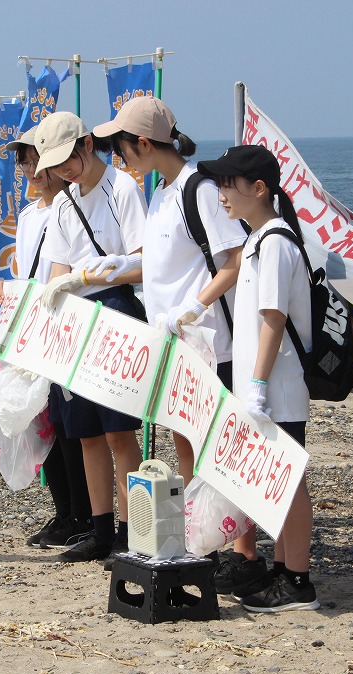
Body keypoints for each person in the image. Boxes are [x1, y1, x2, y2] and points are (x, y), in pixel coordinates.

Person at [92, 97, 269, 595]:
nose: (118, 158)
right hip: (173, 340)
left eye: (120, 148)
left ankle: (244, 552)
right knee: (184, 440)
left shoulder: (200, 189)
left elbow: (232, 262)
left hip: (212, 341)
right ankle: (202, 542)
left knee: (222, 447)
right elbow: (159, 263)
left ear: (144, 143)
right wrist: (113, 268)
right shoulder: (160, 193)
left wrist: (193, 308)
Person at [197, 145, 319, 612]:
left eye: (230, 184)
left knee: (290, 481)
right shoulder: (256, 241)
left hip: (279, 387)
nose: (222, 193)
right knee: (275, 479)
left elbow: (274, 319)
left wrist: (259, 387)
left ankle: (297, 579)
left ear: (259, 189)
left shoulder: (276, 242)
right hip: (262, 385)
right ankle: (282, 568)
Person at [32, 111, 148, 562]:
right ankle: (100, 530)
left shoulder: (122, 188)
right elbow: (57, 272)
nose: (63, 170)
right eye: (54, 165)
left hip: (116, 312)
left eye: (67, 158)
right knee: (85, 434)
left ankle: (133, 530)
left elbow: (143, 263)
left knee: (119, 431)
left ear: (86, 144)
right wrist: (56, 296)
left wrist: (85, 276)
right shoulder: (63, 204)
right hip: (75, 319)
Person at [0, 128, 93, 549]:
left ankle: (84, 515)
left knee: (71, 426)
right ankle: (64, 512)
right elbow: (27, 274)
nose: (28, 170)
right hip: (33, 327)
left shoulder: (70, 207)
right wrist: (5, 291)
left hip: (64, 325)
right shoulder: (32, 214)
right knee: (43, 421)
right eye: (23, 163)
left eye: (32, 160)